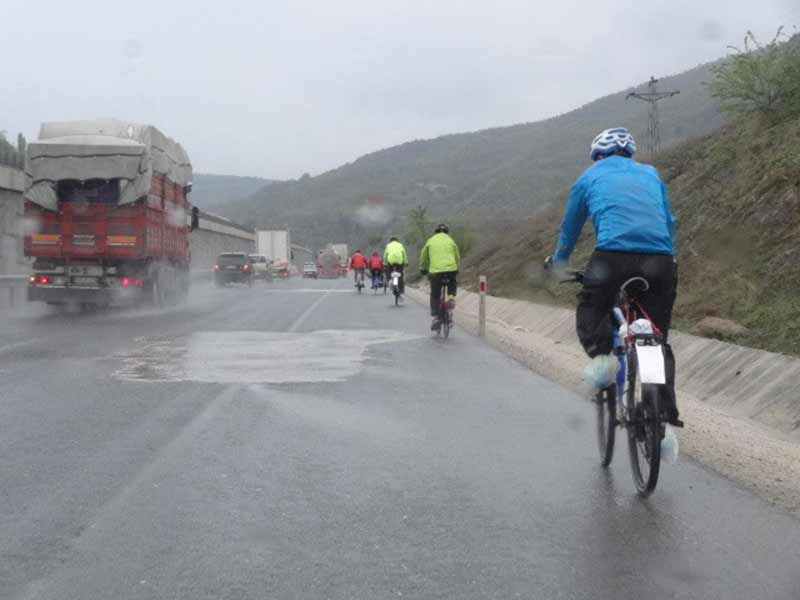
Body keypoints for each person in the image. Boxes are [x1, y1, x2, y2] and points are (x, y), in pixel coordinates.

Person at [545, 127, 681, 427]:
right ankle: (658, 407)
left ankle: (604, 364)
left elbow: (570, 227)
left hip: (612, 258)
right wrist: (668, 257)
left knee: (593, 308)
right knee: (655, 335)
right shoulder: (651, 174)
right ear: (630, 153)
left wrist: (560, 261)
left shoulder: (589, 177)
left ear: (597, 155)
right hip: (660, 260)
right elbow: (669, 220)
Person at [419, 224, 461, 331]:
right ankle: (451, 297)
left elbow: (423, 256)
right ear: (447, 232)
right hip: (451, 269)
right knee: (452, 281)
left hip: (436, 272)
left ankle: (436, 316)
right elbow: (457, 256)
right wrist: (457, 267)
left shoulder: (430, 240)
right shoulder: (451, 240)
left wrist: (423, 268)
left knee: (435, 294)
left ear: (436, 231)